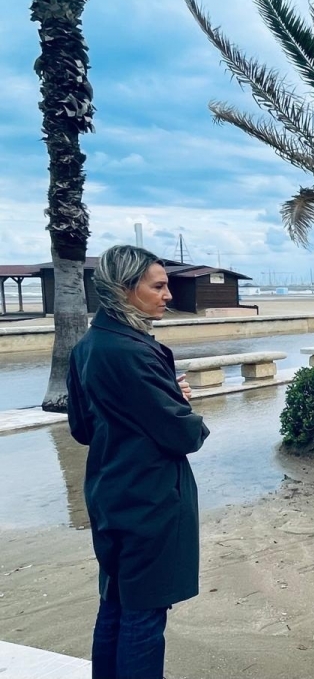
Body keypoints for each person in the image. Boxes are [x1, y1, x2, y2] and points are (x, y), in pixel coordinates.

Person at [67, 245, 210, 679]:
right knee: (144, 615)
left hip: (109, 491)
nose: (168, 295)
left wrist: (163, 396)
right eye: (158, 286)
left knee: (115, 603)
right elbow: (183, 434)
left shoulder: (89, 346)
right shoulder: (134, 352)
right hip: (150, 498)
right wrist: (182, 405)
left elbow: (83, 428)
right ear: (125, 288)